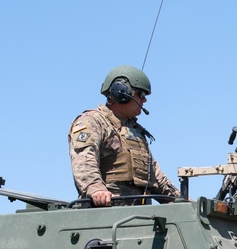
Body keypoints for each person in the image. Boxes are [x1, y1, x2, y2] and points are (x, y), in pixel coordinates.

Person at [69, 65, 180, 207]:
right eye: (141, 95)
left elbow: (157, 178)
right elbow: (84, 161)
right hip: (107, 213)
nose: (144, 101)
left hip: (142, 216)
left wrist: (186, 202)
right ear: (121, 92)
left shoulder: (136, 131)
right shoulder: (92, 122)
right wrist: (96, 189)